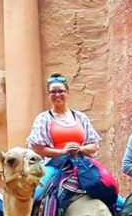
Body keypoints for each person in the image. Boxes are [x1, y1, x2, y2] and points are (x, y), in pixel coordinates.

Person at [26, 73, 117, 208]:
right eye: (53, 92)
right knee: (35, 196)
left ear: (67, 92)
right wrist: (62, 151)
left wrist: (80, 149)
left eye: (61, 91)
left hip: (83, 163)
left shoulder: (81, 117)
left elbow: (94, 146)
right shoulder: (43, 118)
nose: (57, 95)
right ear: (48, 94)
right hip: (55, 165)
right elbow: (37, 148)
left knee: (114, 196)